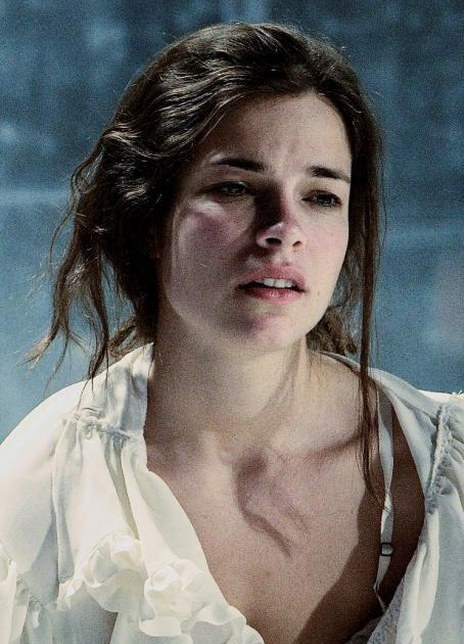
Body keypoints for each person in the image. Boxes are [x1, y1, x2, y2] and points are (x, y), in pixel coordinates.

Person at [0, 22, 462, 644]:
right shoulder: (43, 494)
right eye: (236, 188)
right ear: (148, 217)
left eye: (321, 196)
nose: (283, 229)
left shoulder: (448, 476)